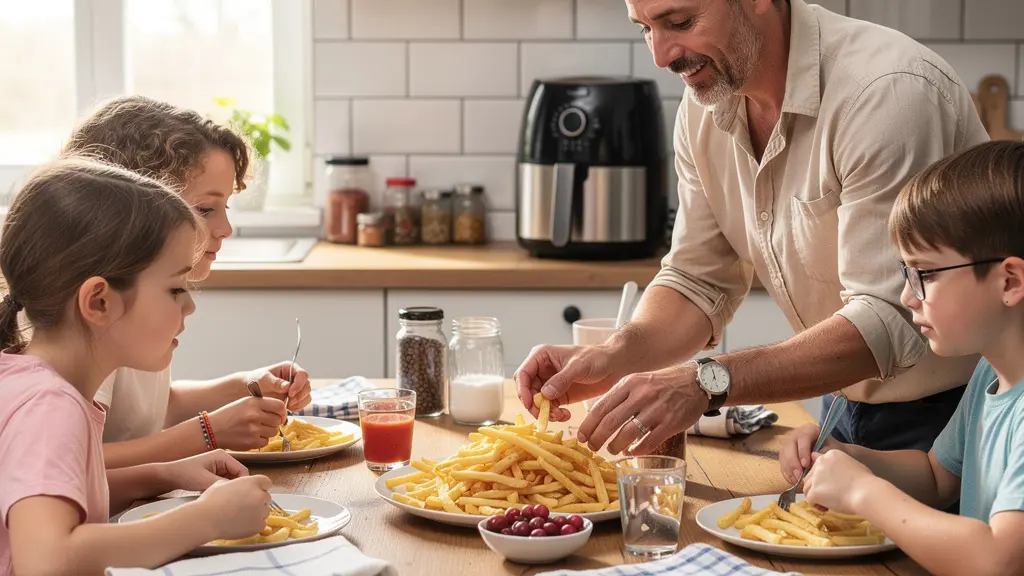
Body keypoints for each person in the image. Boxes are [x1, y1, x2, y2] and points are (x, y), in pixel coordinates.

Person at [515, 0, 988, 457]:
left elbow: (890, 318)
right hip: (838, 405)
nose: (661, 56)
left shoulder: (885, 94)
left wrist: (705, 382)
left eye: (679, 21)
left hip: (963, 416)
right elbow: (698, 281)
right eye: (645, 28)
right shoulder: (707, 105)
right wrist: (614, 355)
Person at [0, 159, 273, 576]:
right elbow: (47, 560)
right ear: (99, 302)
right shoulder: (49, 406)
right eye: (175, 288)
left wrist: (161, 475)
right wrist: (208, 519)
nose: (190, 305)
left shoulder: (34, 382)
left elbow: (51, 499)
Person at [779, 140, 1024, 575]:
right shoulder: (991, 372)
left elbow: (996, 561)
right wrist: (847, 458)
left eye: (924, 274)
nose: (907, 296)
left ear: (1009, 281)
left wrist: (863, 494)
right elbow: (935, 477)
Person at [60, 95, 312, 468]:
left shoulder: (138, 297)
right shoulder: (85, 312)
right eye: (205, 209)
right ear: (129, 204)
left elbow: (150, 410)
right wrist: (207, 433)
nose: (225, 229)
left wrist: (246, 384)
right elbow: (70, 467)